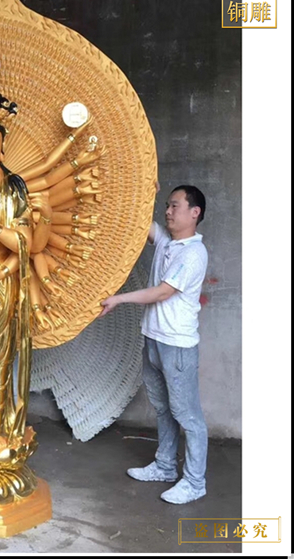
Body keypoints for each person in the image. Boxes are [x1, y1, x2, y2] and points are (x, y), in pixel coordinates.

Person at [100, 184, 208, 504]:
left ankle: (195, 481)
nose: (168, 211)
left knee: (187, 415)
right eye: (167, 205)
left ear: (194, 213)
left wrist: (119, 298)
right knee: (163, 408)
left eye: (175, 206)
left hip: (177, 346)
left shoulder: (193, 253)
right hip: (154, 339)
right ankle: (164, 466)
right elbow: (140, 222)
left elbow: (163, 292)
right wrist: (145, 189)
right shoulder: (166, 242)